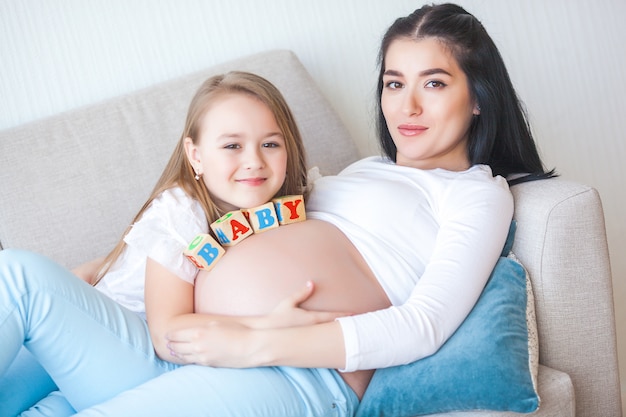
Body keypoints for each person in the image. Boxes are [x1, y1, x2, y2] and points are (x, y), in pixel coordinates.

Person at [71, 3, 556, 417]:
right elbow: (221, 221)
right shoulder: (358, 171)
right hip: (206, 348)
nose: (406, 106)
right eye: (393, 84)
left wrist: (255, 343)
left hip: (296, 371)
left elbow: (423, 325)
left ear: (478, 97)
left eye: (433, 84)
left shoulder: (476, 193)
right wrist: (108, 266)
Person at [0, 71, 315, 416]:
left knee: (18, 275)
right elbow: (129, 283)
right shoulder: (182, 211)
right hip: (114, 341)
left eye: (270, 143)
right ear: (195, 156)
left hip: (151, 362)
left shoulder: (294, 210)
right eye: (232, 146)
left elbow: (167, 334)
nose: (254, 160)